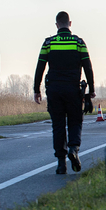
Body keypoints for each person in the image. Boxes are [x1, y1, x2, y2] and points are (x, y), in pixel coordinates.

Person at [33, 11, 95, 174]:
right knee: (75, 121)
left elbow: (40, 67)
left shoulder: (49, 43)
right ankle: (73, 149)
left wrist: (36, 89)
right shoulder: (78, 42)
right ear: (70, 23)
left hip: (54, 90)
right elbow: (88, 67)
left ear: (56, 25)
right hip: (73, 89)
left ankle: (61, 164)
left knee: (58, 125)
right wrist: (91, 90)